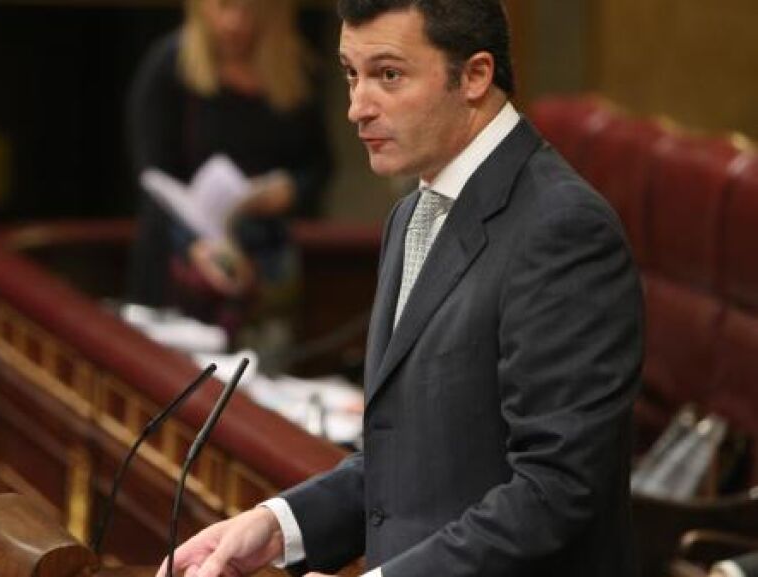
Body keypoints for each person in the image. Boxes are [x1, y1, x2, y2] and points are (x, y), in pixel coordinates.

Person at [160, 1, 644, 576]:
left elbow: (556, 489)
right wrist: (276, 526)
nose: (357, 107)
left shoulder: (563, 228)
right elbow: (408, 456)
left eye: (388, 75)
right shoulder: (413, 213)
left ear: (475, 76)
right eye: (351, 74)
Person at [125, 0, 331, 336]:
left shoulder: (297, 68)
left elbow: (319, 165)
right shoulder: (169, 64)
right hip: (180, 260)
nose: (235, 22)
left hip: (264, 260)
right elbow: (152, 175)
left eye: (250, 8)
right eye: (223, 5)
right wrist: (196, 247)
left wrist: (289, 190)